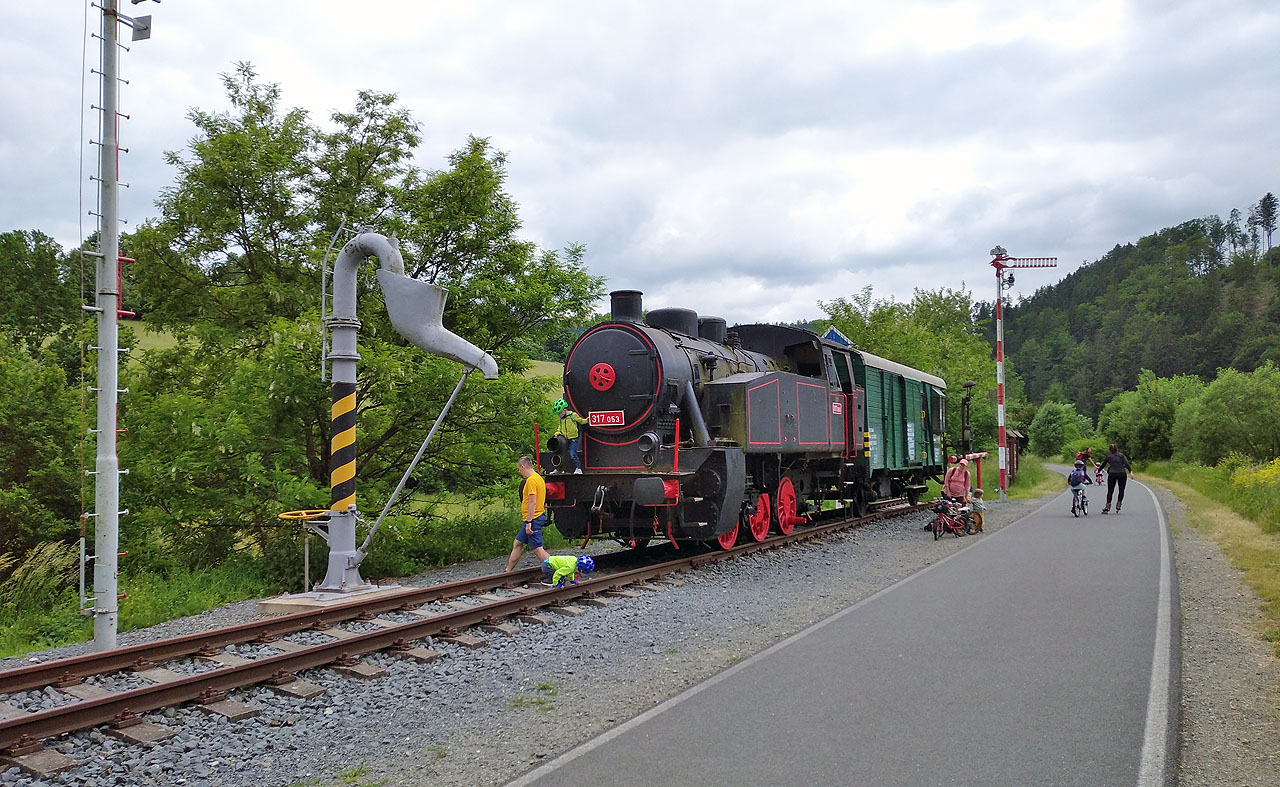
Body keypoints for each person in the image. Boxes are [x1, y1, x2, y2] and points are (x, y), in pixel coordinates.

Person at [506, 456, 551, 571]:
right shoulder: (539, 478)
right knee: (517, 543)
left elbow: (532, 501)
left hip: (533, 518)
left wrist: (529, 522)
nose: (519, 471)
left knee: (537, 549)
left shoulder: (531, 480)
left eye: (518, 469)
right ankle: (508, 572)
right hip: (535, 517)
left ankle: (556, 569)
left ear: (522, 467)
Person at [552, 398, 589, 474]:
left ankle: (578, 468)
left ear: (564, 410)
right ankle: (559, 469)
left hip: (573, 439)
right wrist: (558, 432)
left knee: (573, 454)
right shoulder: (561, 419)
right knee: (561, 453)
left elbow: (581, 421)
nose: (559, 415)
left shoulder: (573, 415)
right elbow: (560, 426)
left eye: (560, 413)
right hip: (565, 438)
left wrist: (587, 420)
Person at [1099, 443, 1133, 514]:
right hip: (1122, 473)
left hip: (1112, 473)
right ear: (1117, 448)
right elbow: (1126, 463)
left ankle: (1108, 506)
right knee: (1121, 489)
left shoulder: (1109, 457)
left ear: (1110, 449)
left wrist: (1098, 471)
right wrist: (1130, 471)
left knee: (1110, 491)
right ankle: (1119, 503)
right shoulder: (1121, 455)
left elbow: (1103, 465)